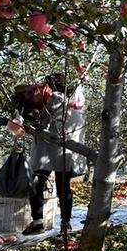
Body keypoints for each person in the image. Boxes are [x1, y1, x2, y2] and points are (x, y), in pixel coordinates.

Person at [23, 73, 87, 235]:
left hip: (46, 147)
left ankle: (38, 221)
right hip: (65, 150)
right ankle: (66, 223)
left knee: (37, 182)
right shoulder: (75, 104)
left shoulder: (53, 99)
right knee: (63, 187)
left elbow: (37, 121)